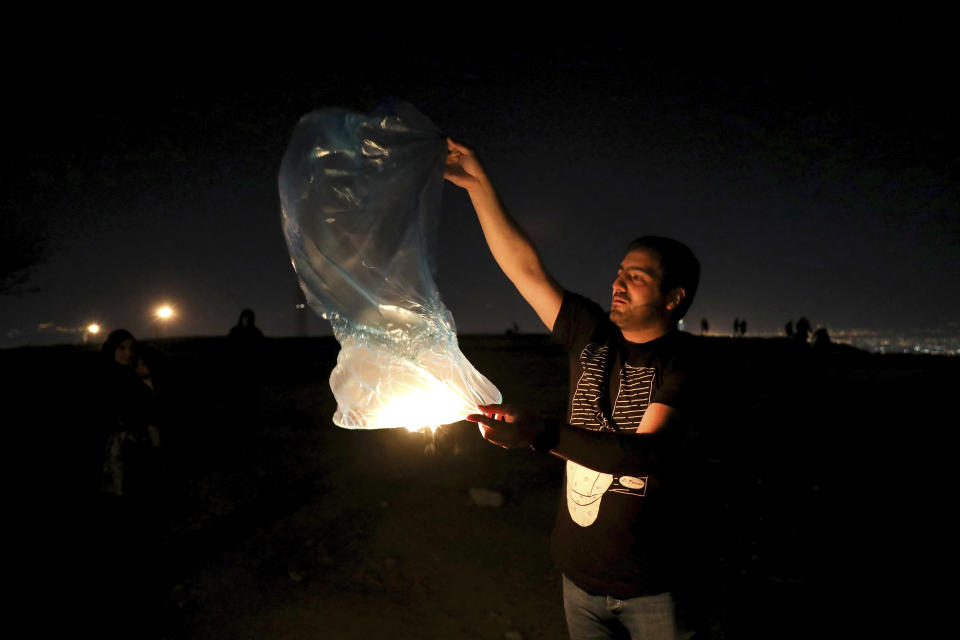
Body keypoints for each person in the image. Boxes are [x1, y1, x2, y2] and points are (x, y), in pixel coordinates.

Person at [446, 139, 700, 640]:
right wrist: (478, 185)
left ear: (674, 299)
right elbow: (524, 267)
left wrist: (540, 434)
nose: (618, 284)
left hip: (654, 588)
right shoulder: (590, 333)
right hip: (579, 582)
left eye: (638, 277)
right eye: (619, 272)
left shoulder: (686, 361)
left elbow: (645, 454)